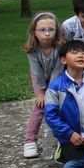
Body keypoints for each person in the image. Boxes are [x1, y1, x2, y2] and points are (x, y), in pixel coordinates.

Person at [44, 41, 84, 168]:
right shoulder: (55, 87)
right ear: (63, 60)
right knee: (76, 165)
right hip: (70, 138)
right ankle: (62, 150)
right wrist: (69, 133)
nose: (80, 55)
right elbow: (51, 116)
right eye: (75, 53)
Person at [22, 12, 66, 158]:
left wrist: (50, 92)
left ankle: (62, 138)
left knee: (58, 104)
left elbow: (58, 70)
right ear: (34, 31)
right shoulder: (32, 49)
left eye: (51, 29)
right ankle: (30, 140)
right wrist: (42, 92)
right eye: (42, 30)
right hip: (39, 78)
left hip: (56, 78)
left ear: (56, 31)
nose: (47, 33)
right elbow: (37, 72)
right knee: (40, 106)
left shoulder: (60, 47)